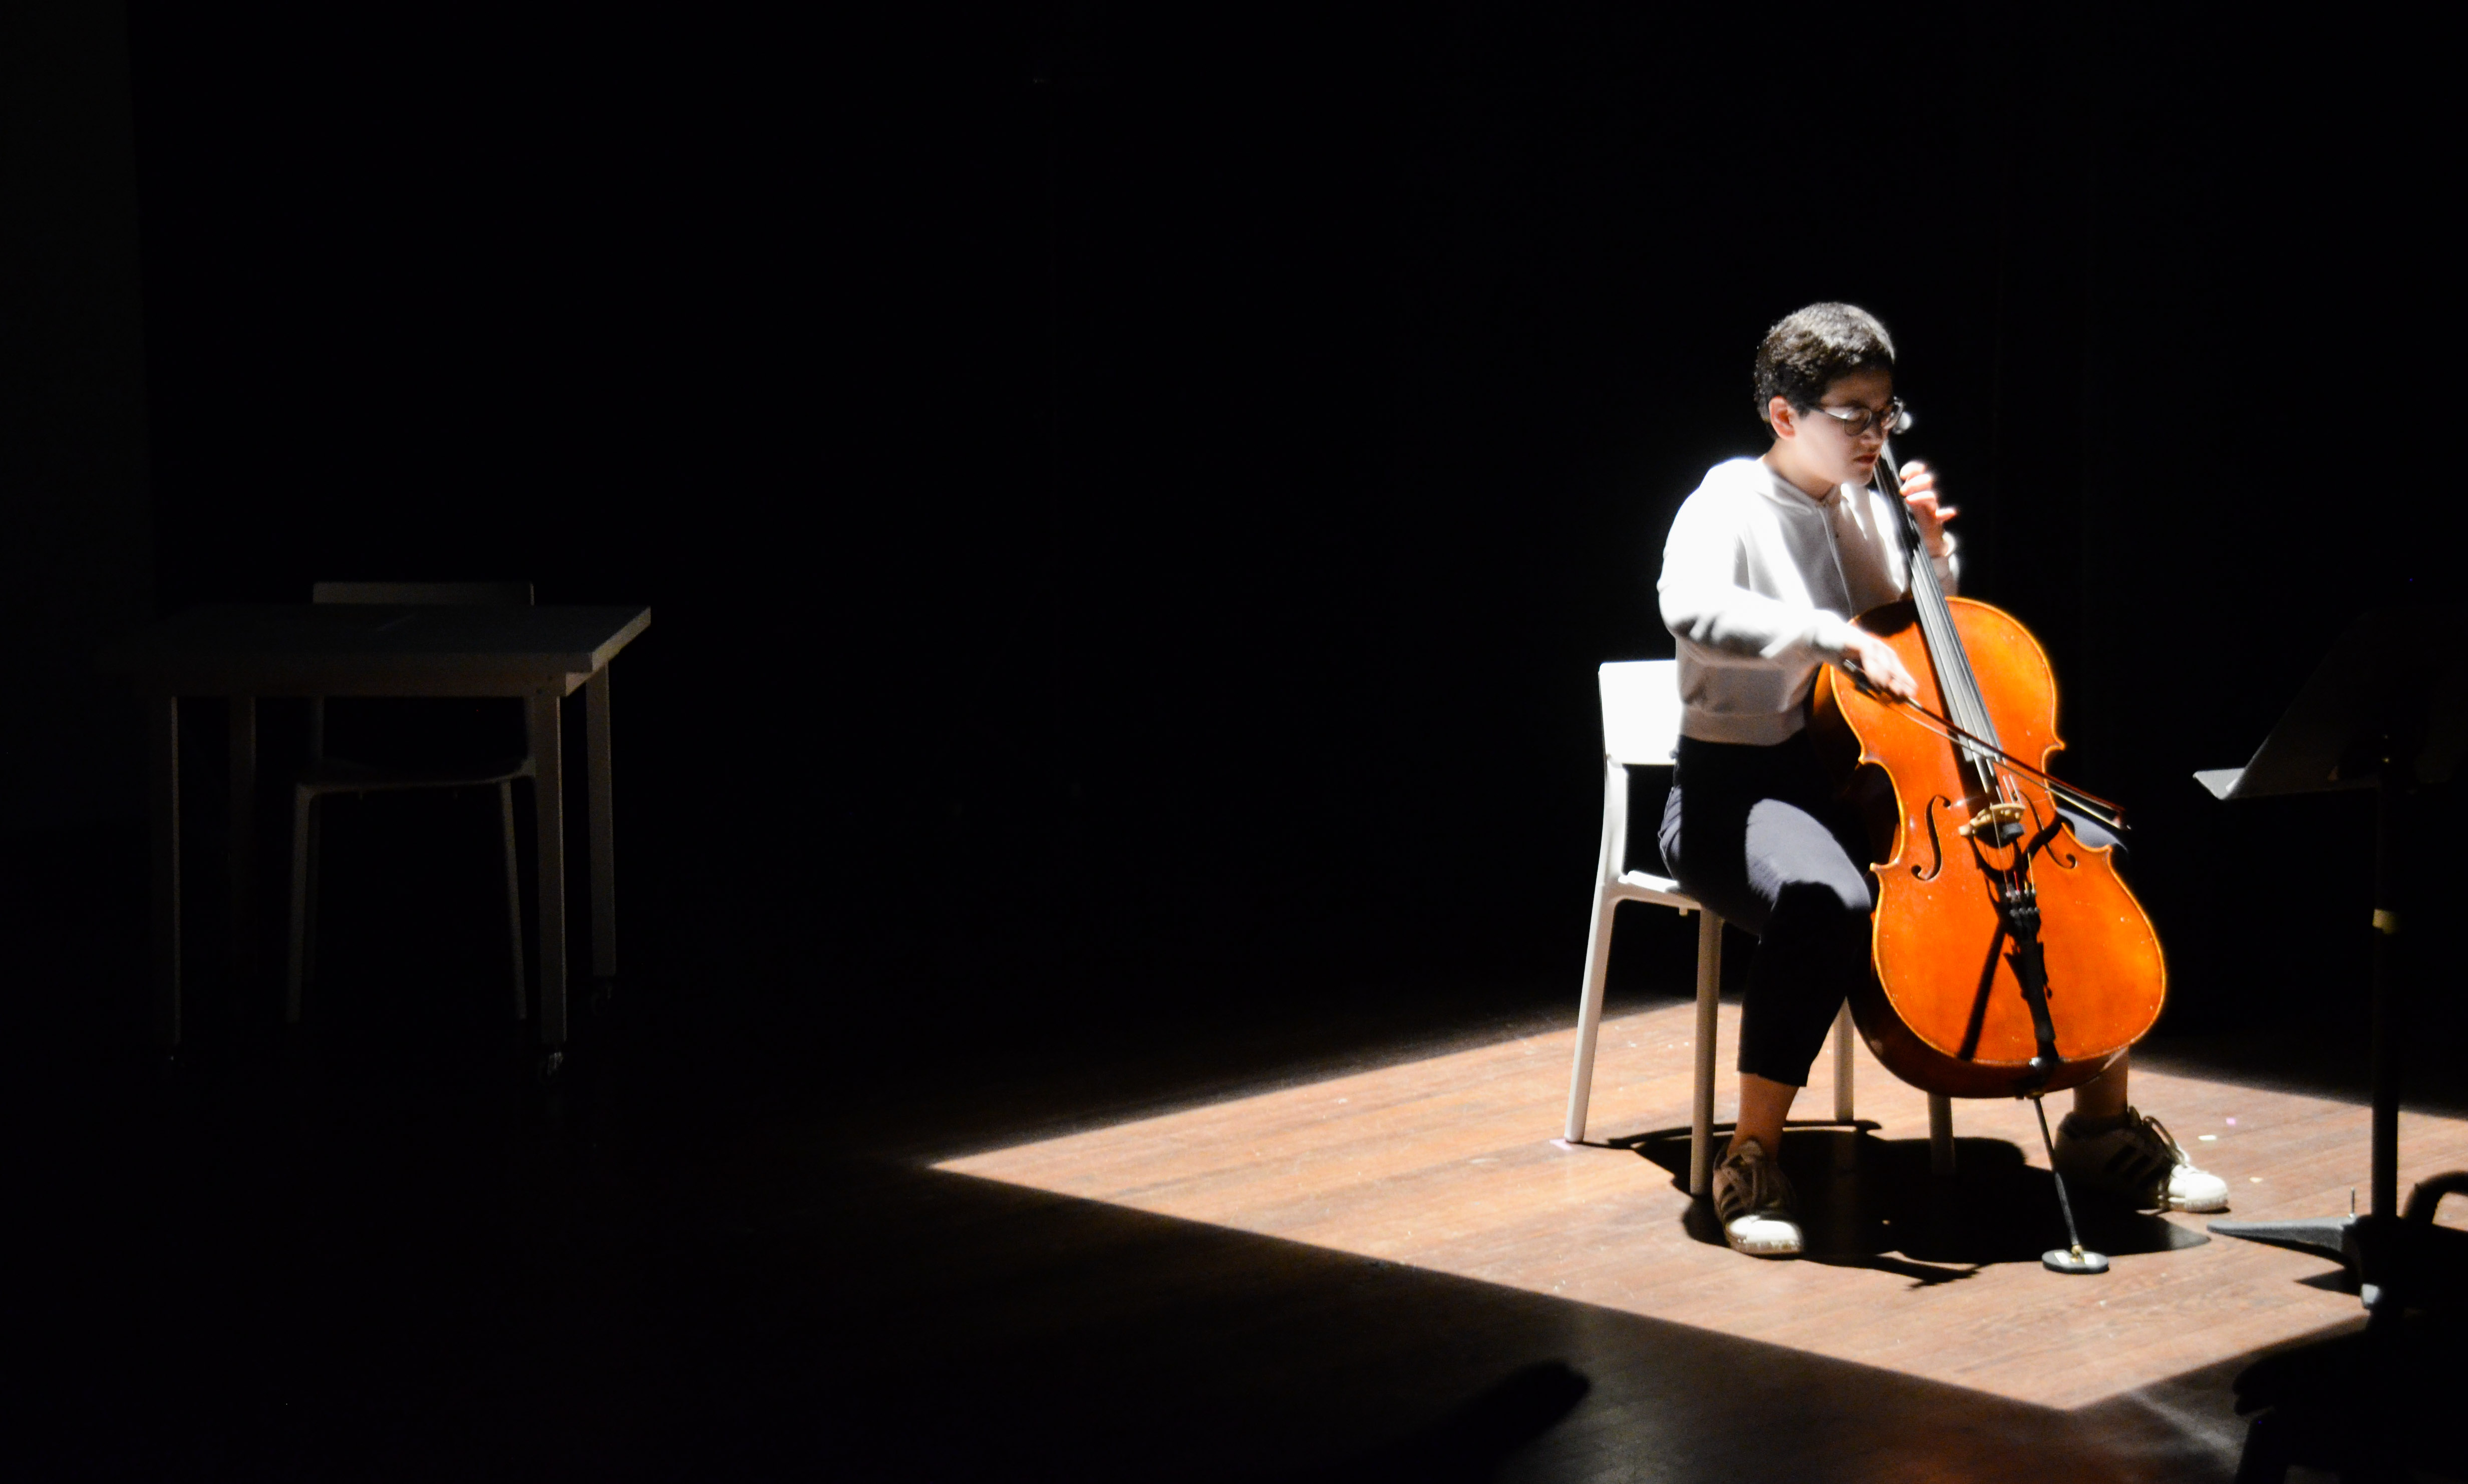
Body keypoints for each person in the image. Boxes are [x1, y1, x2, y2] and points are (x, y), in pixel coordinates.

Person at [1654, 302, 2227, 1258]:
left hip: (1862, 786)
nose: (1875, 435)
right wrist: (1826, 635)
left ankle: (2099, 1128)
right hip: (1738, 792)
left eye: (1887, 413)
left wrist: (1929, 553)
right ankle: (1750, 1155)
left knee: (2084, 852)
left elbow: (1920, 649)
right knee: (1826, 900)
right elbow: (1690, 610)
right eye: (1854, 415)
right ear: (1785, 415)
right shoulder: (1727, 501)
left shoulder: (1869, 504)